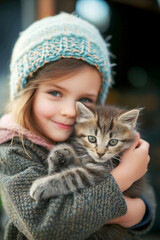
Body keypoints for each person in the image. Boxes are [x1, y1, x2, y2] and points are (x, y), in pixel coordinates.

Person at [0, 12, 156, 240]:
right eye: (55, 93)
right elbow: (47, 227)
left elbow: (146, 198)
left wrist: (137, 210)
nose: (71, 111)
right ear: (28, 94)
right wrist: (122, 178)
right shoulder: (13, 150)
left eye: (85, 100)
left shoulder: (86, 133)